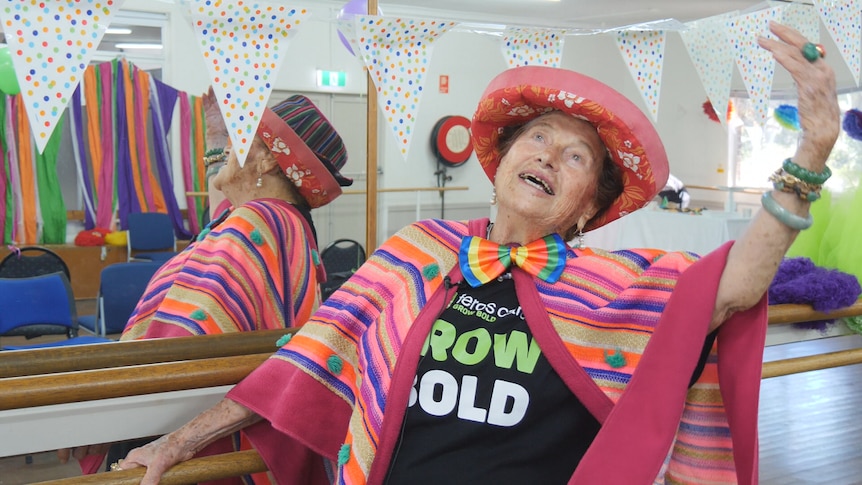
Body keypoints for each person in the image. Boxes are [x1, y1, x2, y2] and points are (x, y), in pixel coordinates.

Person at [120, 22, 839, 484]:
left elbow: (735, 287)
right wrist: (179, 442)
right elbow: (306, 360)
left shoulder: (614, 286)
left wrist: (809, 152)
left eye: (577, 157)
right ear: (499, 163)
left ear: (588, 205)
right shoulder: (413, 254)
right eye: (536, 140)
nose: (549, 158)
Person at [60, 94, 353, 478]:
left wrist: (110, 410)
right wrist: (217, 129)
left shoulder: (255, 225)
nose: (227, 147)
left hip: (189, 438)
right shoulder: (276, 221)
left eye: (239, 137)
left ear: (266, 160)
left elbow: (190, 343)